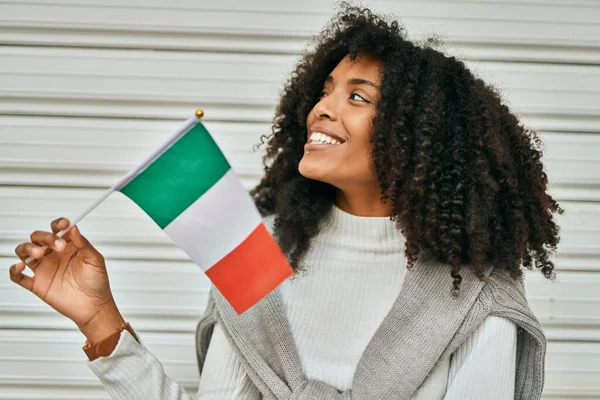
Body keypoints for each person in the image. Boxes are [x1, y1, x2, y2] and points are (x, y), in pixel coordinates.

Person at [8, 5, 562, 400]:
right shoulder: (254, 254)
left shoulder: (477, 297)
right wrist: (101, 321)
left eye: (357, 97)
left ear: (424, 134)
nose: (322, 108)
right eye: (324, 91)